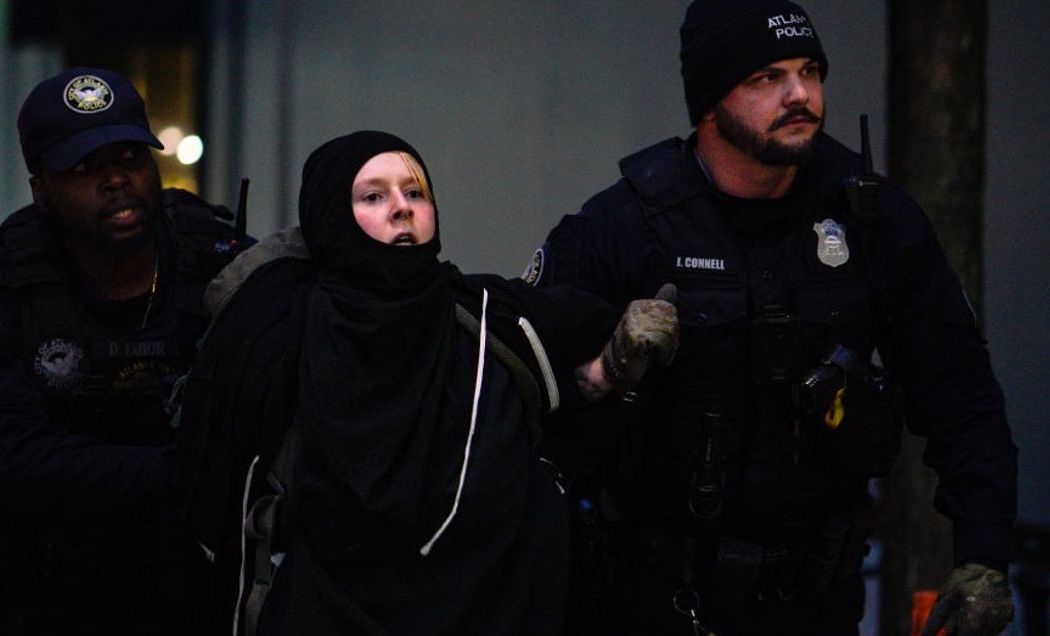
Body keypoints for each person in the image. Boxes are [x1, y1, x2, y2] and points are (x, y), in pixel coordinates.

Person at [525, 0, 1018, 635]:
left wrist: (981, 557)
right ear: (710, 103)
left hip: (813, 596)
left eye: (809, 72)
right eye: (768, 77)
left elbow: (960, 391)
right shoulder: (621, 227)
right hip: (651, 594)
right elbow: (527, 400)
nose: (800, 95)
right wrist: (605, 367)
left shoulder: (872, 219)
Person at [169, 130, 677, 635]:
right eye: (372, 196)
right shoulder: (278, 336)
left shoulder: (490, 318)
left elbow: (596, 356)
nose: (402, 209)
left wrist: (614, 360)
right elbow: (217, 502)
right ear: (330, 217)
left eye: (415, 193)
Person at [0, 67, 248, 635]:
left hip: (200, 586)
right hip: (49, 589)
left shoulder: (221, 261)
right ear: (41, 190)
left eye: (129, 158)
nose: (116, 180)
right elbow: (11, 458)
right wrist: (186, 474)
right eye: (84, 167)